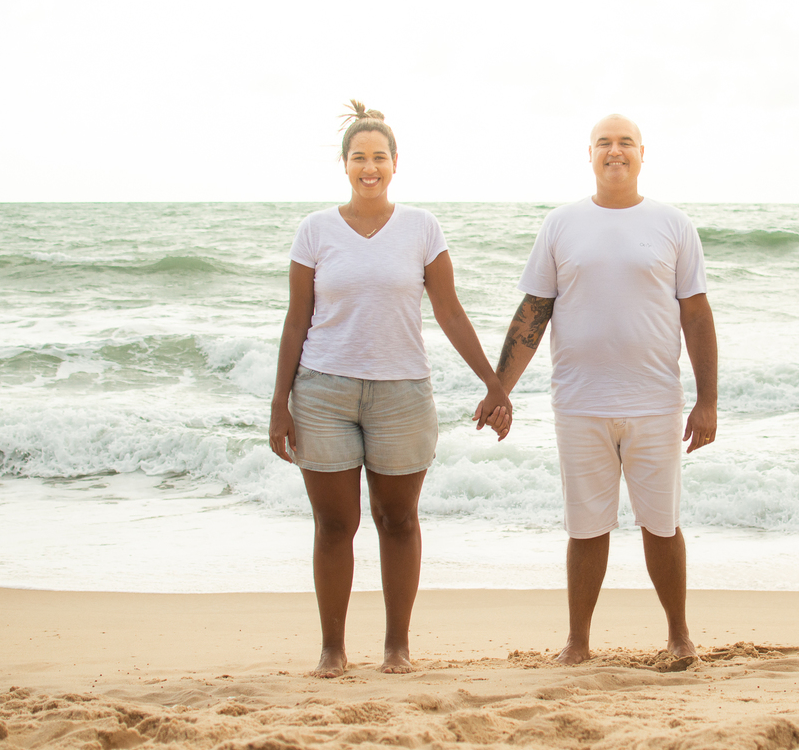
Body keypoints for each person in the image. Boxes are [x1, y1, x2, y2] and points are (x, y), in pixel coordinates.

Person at [269, 100, 511, 677]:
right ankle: (332, 649)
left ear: (396, 163)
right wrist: (280, 404)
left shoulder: (423, 228)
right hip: (323, 392)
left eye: (379, 157)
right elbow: (296, 319)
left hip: (403, 392)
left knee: (398, 520)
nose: (369, 167)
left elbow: (449, 312)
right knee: (334, 525)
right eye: (359, 158)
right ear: (344, 164)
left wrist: (494, 382)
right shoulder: (316, 230)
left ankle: (397, 646)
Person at [481, 114, 718, 665]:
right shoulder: (561, 225)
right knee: (585, 528)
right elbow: (533, 311)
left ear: (642, 154)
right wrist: (500, 390)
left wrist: (707, 401)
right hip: (580, 402)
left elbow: (697, 315)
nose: (616, 152)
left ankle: (679, 636)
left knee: (661, 525)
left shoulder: (673, 224)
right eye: (605, 144)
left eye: (626, 143)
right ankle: (578, 643)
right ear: (588, 154)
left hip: (655, 402)